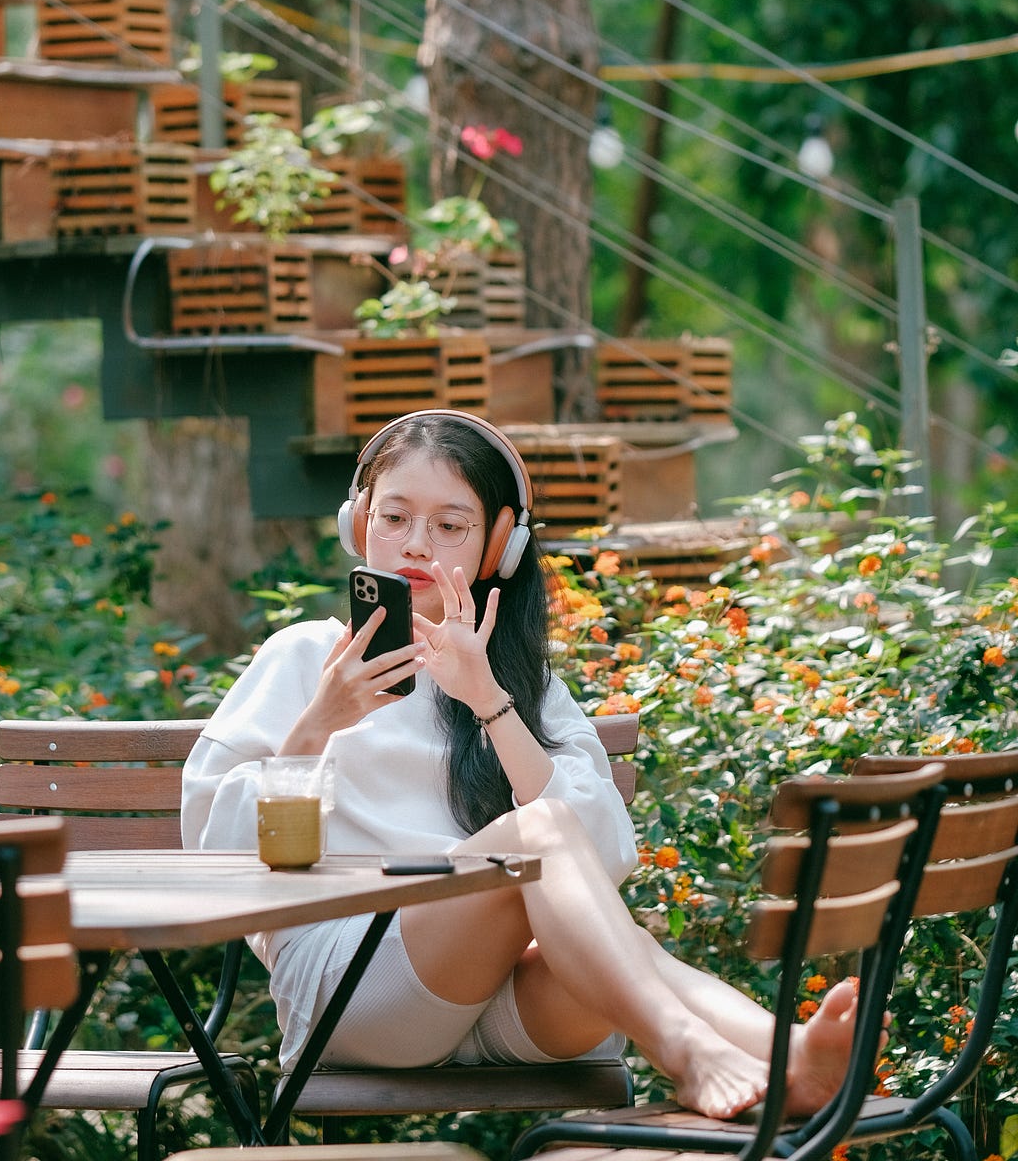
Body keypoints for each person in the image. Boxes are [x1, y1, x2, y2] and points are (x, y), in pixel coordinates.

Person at [182, 409, 861, 1120]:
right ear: (360, 526)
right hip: (352, 988)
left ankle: (792, 1062)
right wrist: (318, 724)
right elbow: (215, 852)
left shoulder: (516, 681)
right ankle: (688, 1053)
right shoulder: (301, 657)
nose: (416, 544)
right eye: (395, 518)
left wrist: (489, 702)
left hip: (497, 995)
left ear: (496, 548)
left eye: (451, 526)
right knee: (535, 835)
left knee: (611, 934)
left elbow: (602, 854)